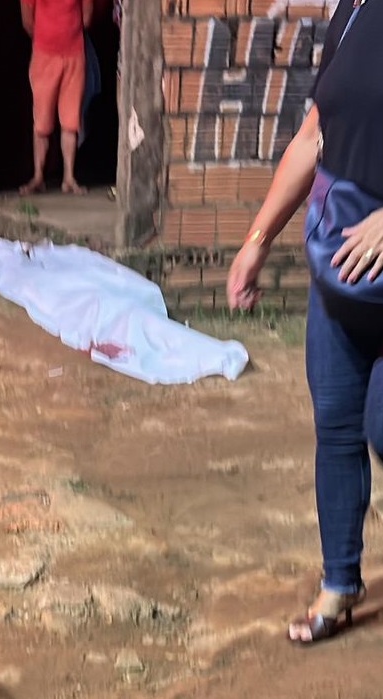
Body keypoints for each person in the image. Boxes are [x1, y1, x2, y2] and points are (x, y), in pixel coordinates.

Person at [226, 0, 383, 644]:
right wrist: (257, 240)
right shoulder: (355, 11)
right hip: (339, 274)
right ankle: (340, 583)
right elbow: (315, 134)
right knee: (337, 426)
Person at [19, 0, 93, 196]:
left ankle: (67, 178)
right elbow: (27, 21)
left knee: (70, 121)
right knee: (42, 122)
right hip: (46, 55)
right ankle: (40, 177)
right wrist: (48, 40)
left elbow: (87, 18)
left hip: (73, 56)